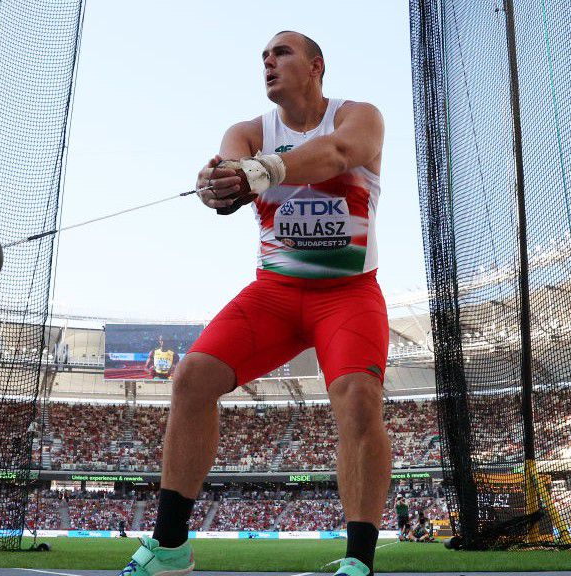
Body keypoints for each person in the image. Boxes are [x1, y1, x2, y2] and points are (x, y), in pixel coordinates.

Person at [117, 30, 388, 576]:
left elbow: (340, 153)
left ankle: (358, 562)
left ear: (316, 65)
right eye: (263, 56)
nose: (268, 61)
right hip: (276, 293)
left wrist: (272, 169)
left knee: (357, 396)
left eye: (281, 52)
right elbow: (233, 170)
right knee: (191, 377)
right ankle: (170, 548)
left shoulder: (358, 115)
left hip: (348, 293)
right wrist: (218, 183)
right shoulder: (248, 131)